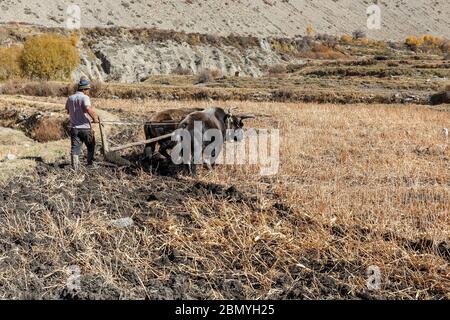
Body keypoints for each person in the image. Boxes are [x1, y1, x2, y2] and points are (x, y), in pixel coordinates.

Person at [66, 78, 99, 170]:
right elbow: (88, 109)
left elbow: (68, 111)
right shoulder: (85, 97)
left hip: (74, 128)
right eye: (88, 89)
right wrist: (95, 118)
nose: (88, 91)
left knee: (75, 149)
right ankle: (89, 165)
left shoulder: (70, 98)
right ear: (84, 89)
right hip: (85, 128)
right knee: (91, 145)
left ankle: (75, 168)